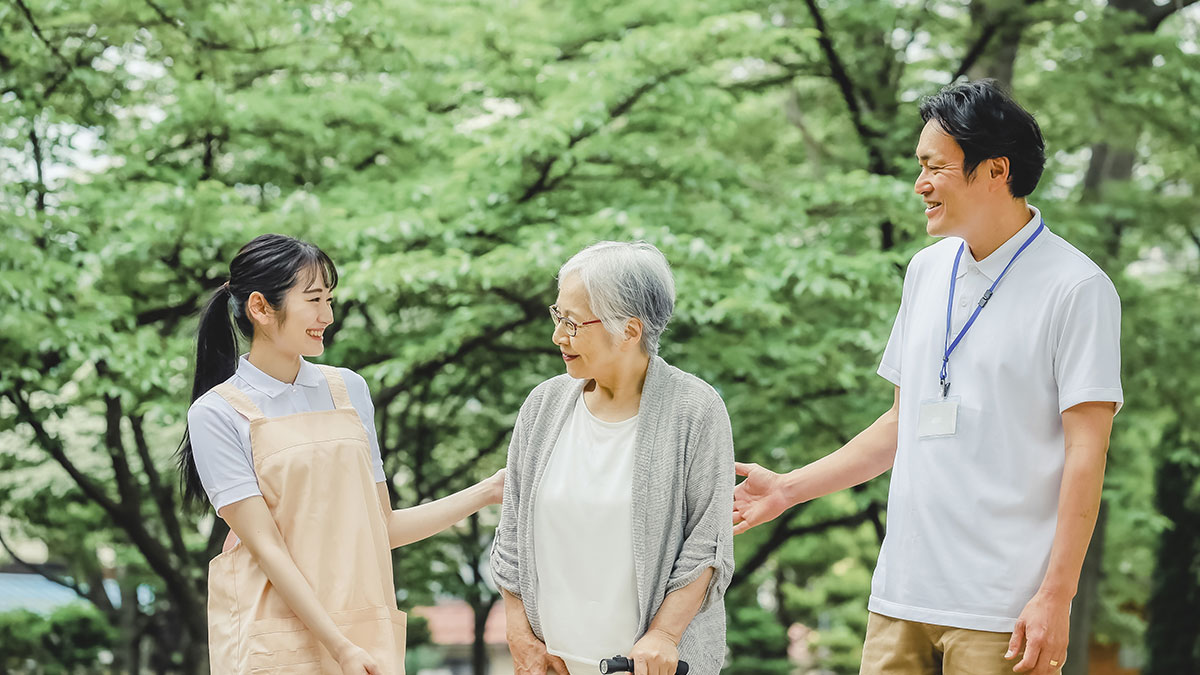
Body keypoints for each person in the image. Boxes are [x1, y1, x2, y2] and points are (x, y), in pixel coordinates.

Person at [732, 80, 1122, 675]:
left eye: (935, 167)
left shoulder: (1077, 288)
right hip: (900, 598)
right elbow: (900, 422)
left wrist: (1056, 596)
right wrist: (788, 488)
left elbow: (1086, 455)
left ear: (996, 171)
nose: (921, 184)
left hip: (1004, 611)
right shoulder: (925, 270)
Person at [179, 233, 504, 674]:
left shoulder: (348, 390)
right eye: (313, 300)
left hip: (362, 629)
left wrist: (488, 491)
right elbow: (269, 550)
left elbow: (382, 527)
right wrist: (339, 646)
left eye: (329, 300)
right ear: (260, 307)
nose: (327, 316)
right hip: (276, 637)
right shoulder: (217, 412)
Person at [490, 241, 735, 675]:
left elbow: (708, 543)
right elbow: (510, 532)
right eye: (557, 315)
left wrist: (663, 637)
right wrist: (519, 637)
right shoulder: (542, 405)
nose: (557, 335)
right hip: (549, 665)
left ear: (630, 330)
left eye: (572, 322)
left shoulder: (694, 409)